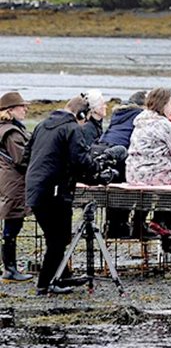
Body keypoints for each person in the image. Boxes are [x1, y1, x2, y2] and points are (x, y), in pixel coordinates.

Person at [23, 95, 103, 295]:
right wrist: (98, 168)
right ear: (82, 114)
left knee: (58, 237)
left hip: (36, 188)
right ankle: (45, 284)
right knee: (57, 240)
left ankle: (61, 276)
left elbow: (26, 155)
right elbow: (80, 159)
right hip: (54, 191)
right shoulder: (72, 128)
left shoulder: (42, 125)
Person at [126, 88, 171, 235]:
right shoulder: (165, 125)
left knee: (148, 184)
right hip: (153, 174)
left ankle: (138, 222)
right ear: (163, 105)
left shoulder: (140, 122)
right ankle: (162, 220)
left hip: (133, 173)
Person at [97, 91, 146, 239]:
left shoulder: (119, 115)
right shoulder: (141, 115)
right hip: (121, 154)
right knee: (133, 188)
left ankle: (113, 225)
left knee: (114, 193)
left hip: (106, 150)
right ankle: (133, 224)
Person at [0, 92, 32, 282]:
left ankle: (9, 267)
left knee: (11, 224)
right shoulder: (11, 132)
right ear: (10, 110)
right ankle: (10, 269)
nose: (26, 109)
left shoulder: (5, 129)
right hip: (15, 183)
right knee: (13, 224)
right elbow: (21, 159)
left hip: (8, 181)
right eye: (22, 106)